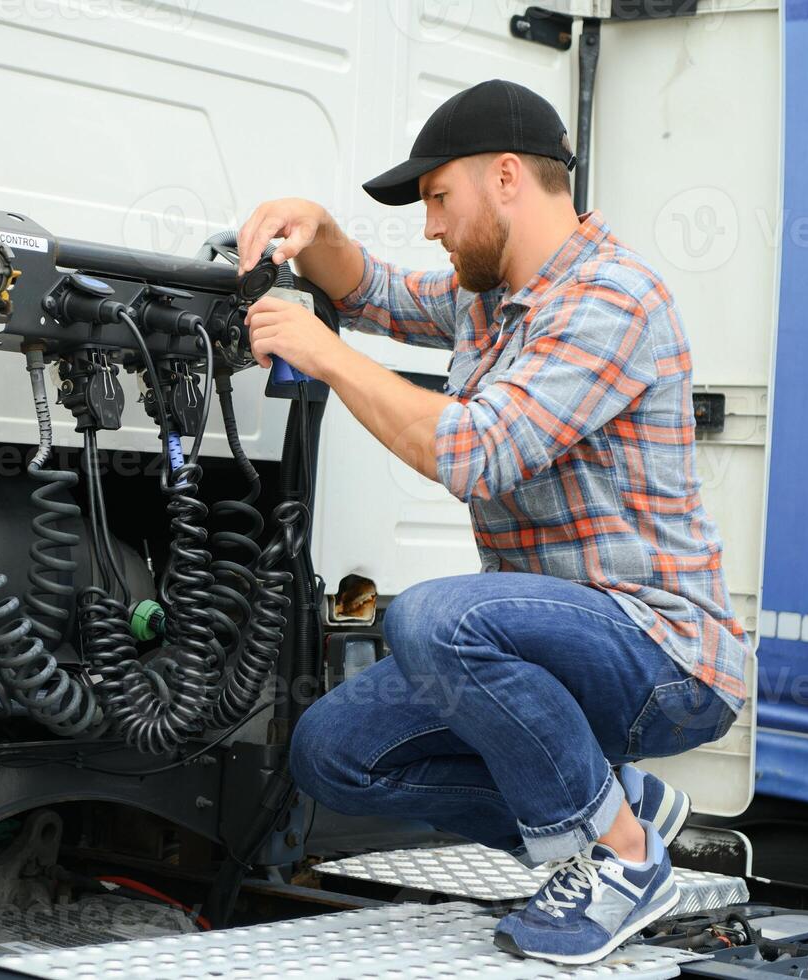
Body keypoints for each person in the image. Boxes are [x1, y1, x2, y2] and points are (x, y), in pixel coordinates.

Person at [237, 79, 750, 965]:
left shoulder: (610, 301)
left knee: (435, 616)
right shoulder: (490, 301)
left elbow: (474, 452)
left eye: (439, 198)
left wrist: (325, 355)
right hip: (555, 651)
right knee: (334, 751)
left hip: (662, 654)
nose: (430, 225)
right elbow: (374, 290)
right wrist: (315, 230)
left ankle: (621, 859)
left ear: (506, 176)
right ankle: (620, 806)